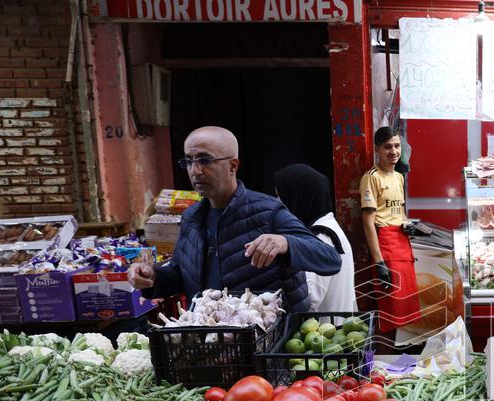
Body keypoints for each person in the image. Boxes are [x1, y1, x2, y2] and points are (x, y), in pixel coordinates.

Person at [128, 126, 341, 312]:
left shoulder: (268, 212)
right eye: (189, 161)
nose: (196, 170)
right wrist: (152, 277)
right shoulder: (191, 218)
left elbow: (330, 258)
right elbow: (181, 276)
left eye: (204, 160)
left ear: (233, 165)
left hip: (267, 344)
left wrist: (286, 243)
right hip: (214, 339)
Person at [360, 127, 421, 342]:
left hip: (402, 245)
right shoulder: (371, 178)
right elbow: (368, 221)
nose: (393, 151)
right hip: (385, 246)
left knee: (402, 312)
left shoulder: (398, 177)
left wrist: (407, 224)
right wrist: (379, 262)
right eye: (387, 147)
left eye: (396, 146)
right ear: (378, 149)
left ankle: (392, 361)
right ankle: (380, 362)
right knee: (388, 311)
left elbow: (398, 212)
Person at [272, 164, 357, 313]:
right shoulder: (327, 228)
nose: (277, 202)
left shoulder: (321, 236)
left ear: (297, 196)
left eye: (280, 196)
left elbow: (309, 299)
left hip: (325, 333)